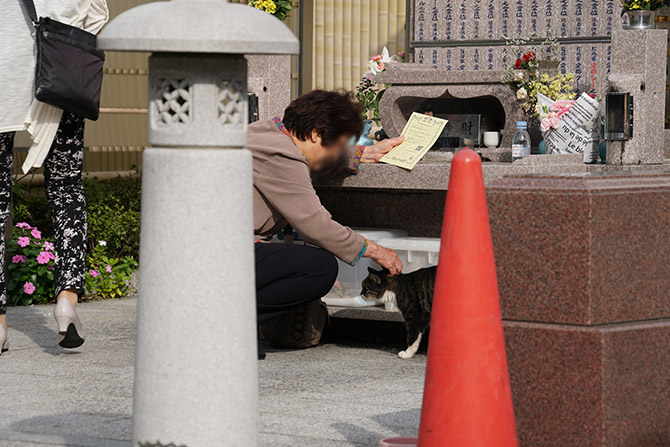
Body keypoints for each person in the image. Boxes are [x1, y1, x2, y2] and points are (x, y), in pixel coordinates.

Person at [0, 0, 109, 354]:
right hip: (61, 70)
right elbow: (96, 13)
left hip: (4, 74)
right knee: (66, 187)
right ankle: (67, 300)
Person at [247, 89, 404, 334]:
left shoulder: (268, 133)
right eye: (339, 145)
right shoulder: (281, 156)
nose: (338, 153)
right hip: (217, 256)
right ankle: (228, 324)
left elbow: (315, 154)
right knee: (319, 267)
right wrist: (375, 250)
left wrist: (363, 153)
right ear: (315, 133)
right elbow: (315, 225)